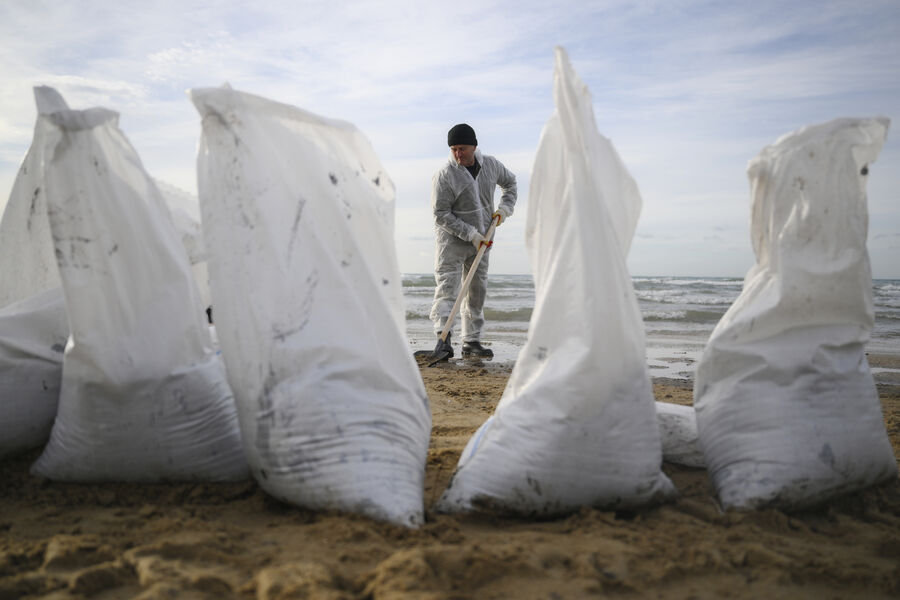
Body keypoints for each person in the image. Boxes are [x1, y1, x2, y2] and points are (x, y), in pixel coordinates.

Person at [429, 123, 517, 360]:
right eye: (454, 149)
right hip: (452, 242)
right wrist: (471, 234)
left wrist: (504, 210)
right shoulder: (445, 176)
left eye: (462, 148)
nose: (458, 154)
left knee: (477, 291)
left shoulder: (491, 165)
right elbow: (441, 214)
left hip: (484, 239)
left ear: (474, 146)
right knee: (448, 288)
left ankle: (471, 342)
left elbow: (511, 184)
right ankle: (443, 339)